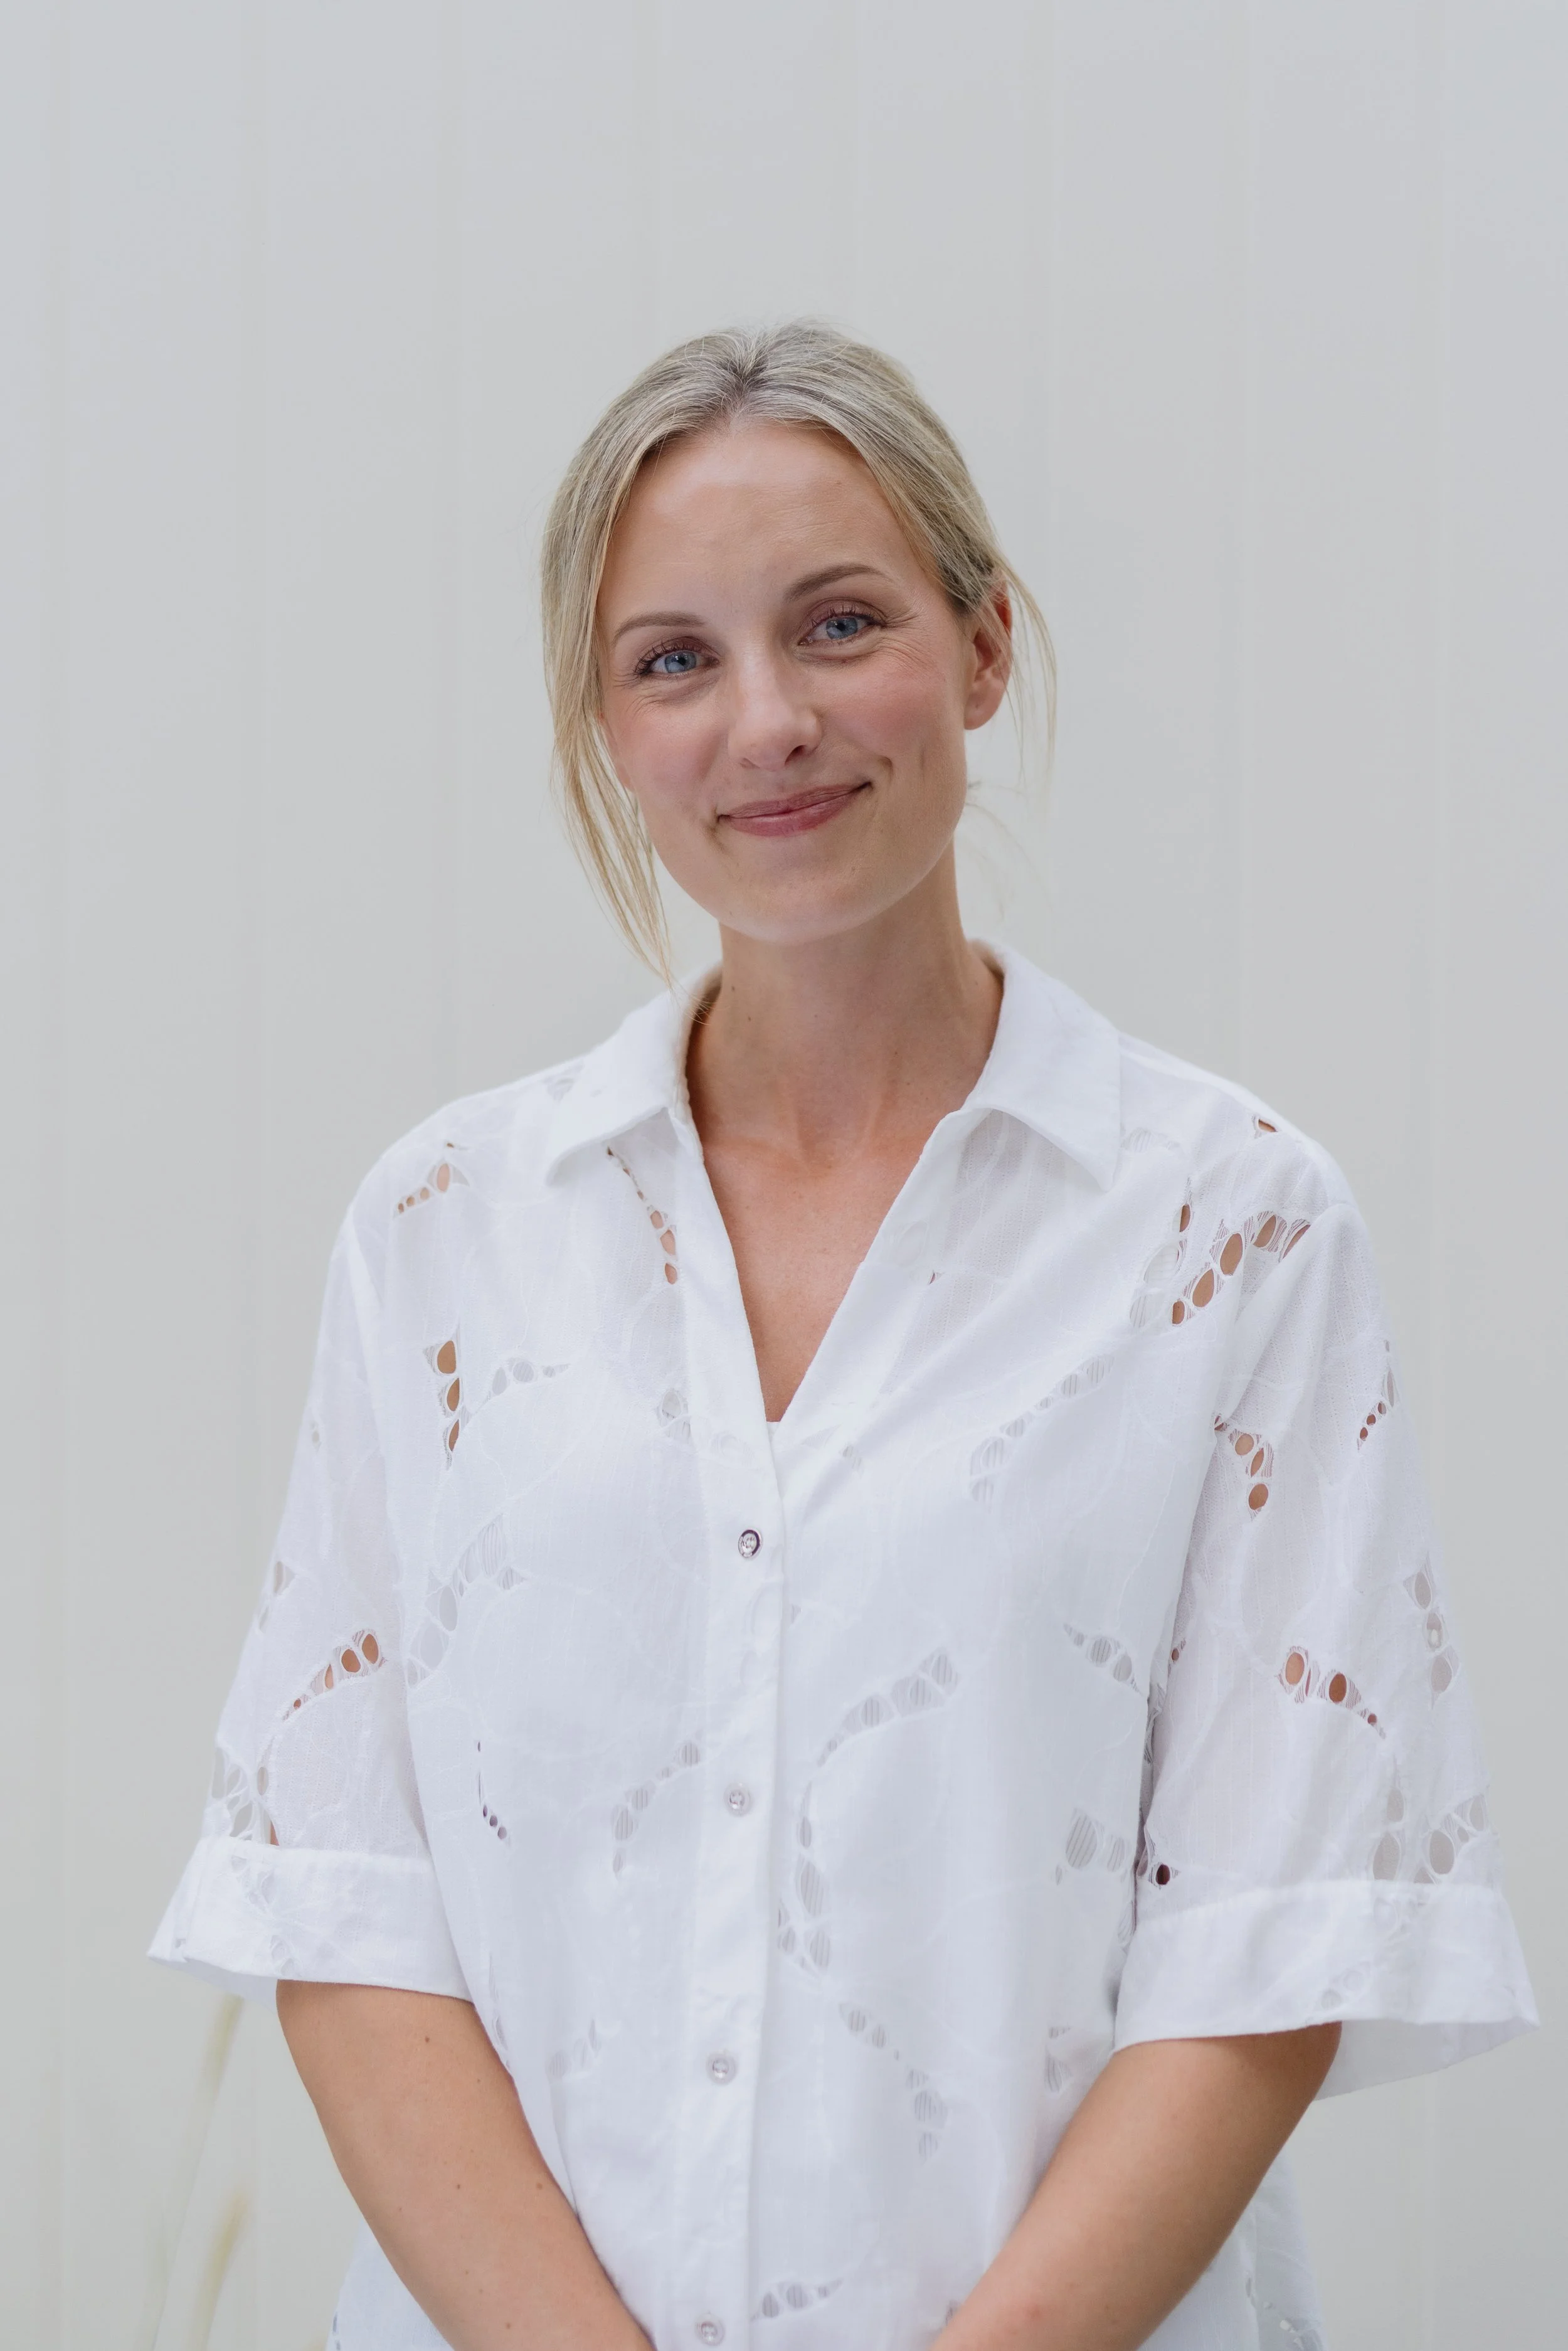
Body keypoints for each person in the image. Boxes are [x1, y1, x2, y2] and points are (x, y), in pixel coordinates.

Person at [152, 321, 1535, 2351]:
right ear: (606, 728)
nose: (768, 722)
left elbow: (1269, 1939)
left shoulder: (1229, 1230)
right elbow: (345, 1903)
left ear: (982, 647)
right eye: (674, 660)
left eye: (838, 623)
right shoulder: (445, 1235)